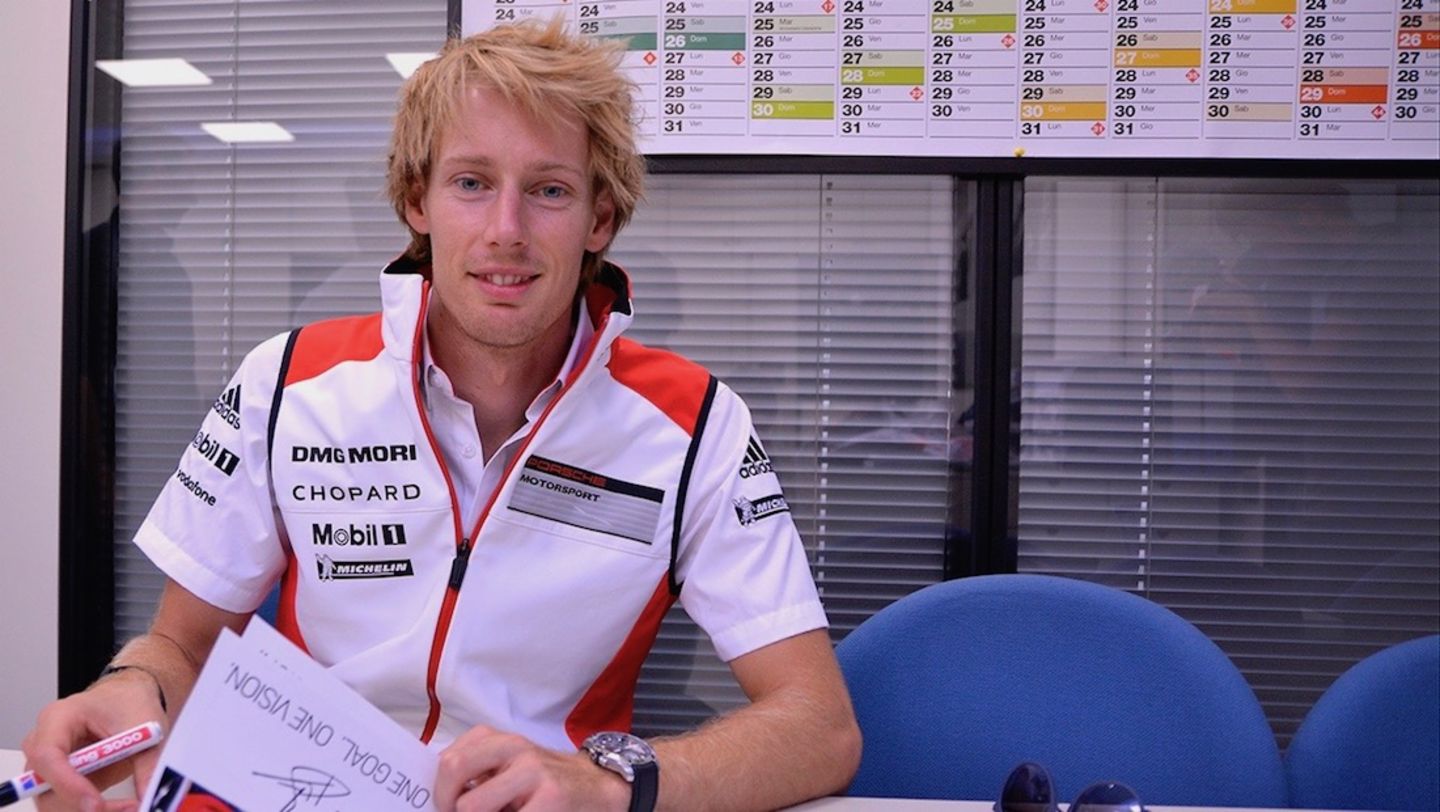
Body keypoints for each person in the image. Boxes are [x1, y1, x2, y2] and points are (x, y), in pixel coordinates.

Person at [23, 19, 861, 812]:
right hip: (306, 787)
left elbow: (817, 728)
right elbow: (184, 645)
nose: (507, 230)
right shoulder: (288, 383)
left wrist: (607, 784)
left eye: (549, 190)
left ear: (599, 219)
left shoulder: (694, 425)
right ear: (416, 201)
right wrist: (126, 687)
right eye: (471, 183)